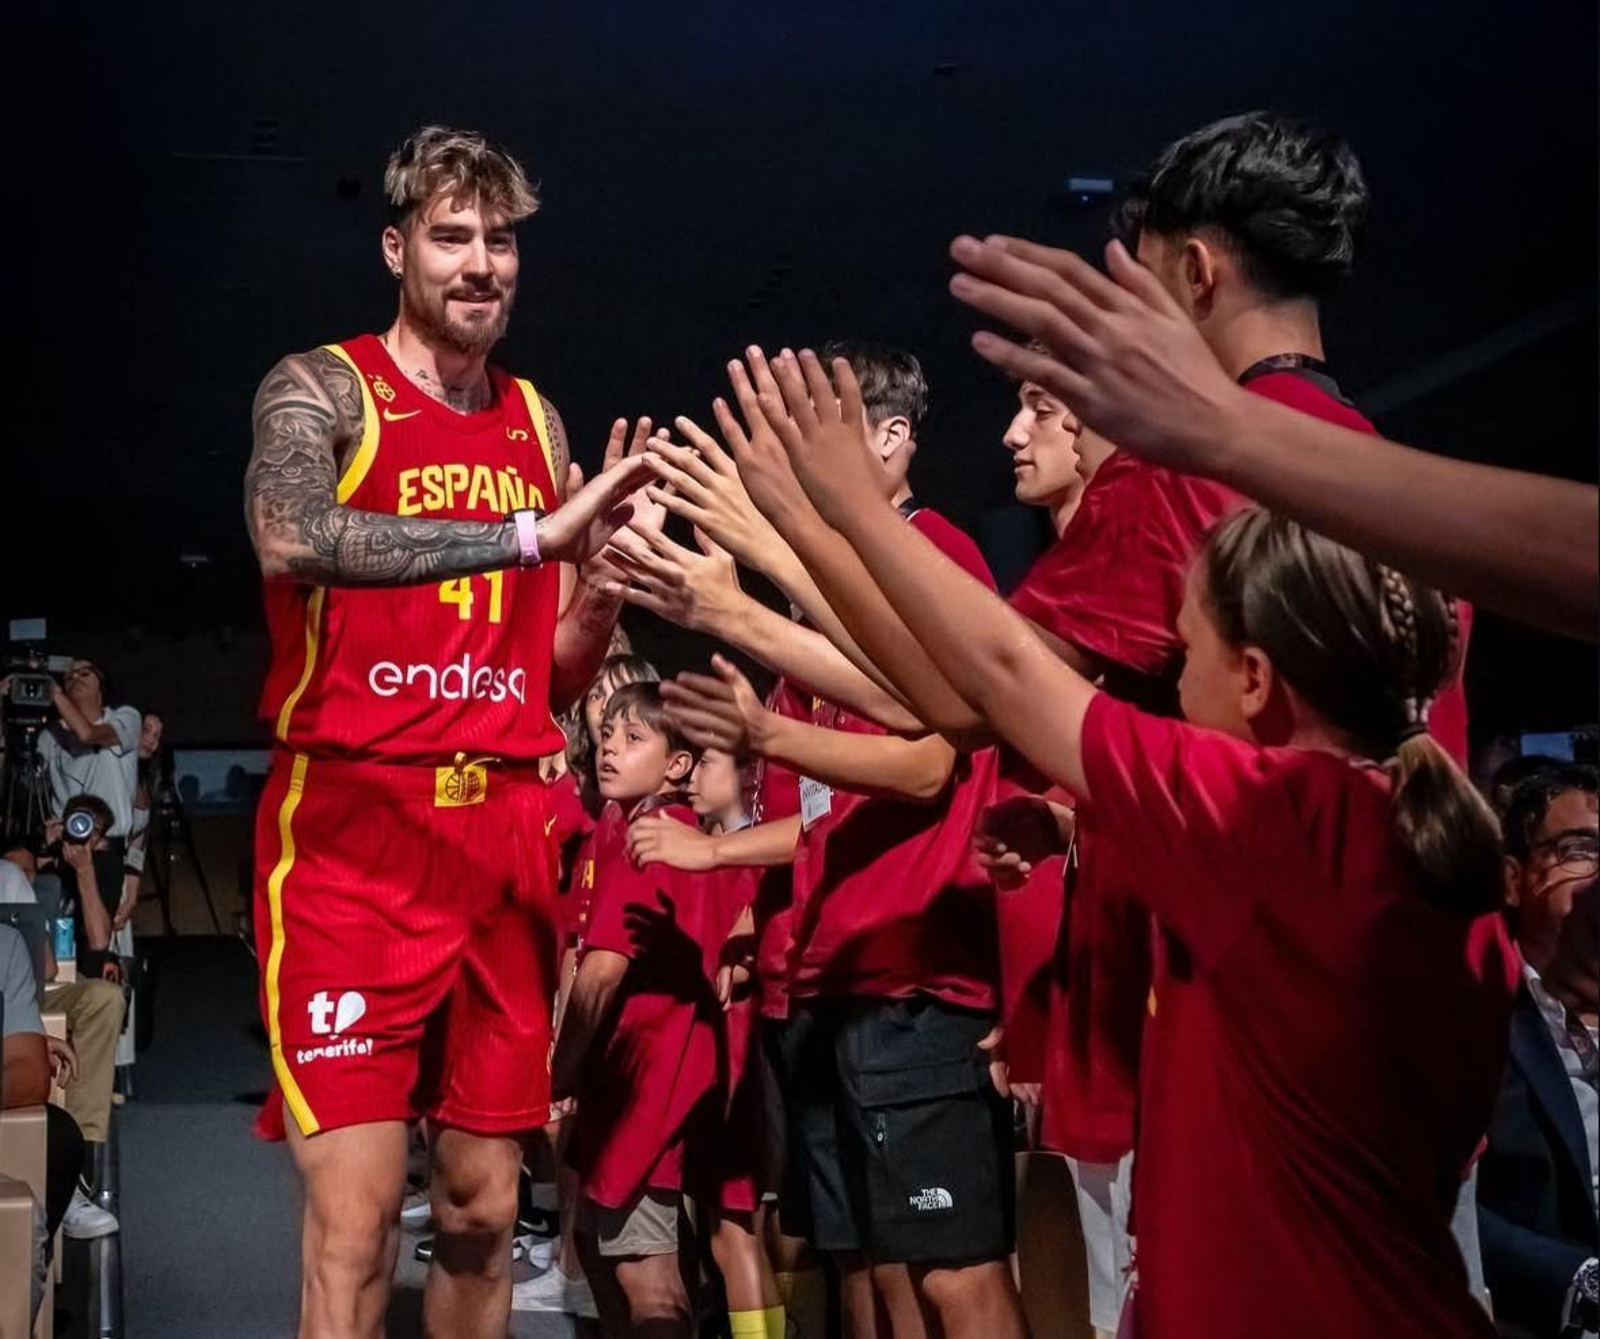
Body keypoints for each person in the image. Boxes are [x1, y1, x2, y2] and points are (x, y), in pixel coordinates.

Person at [747, 348, 1519, 1338]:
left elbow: (997, 679)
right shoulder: (1432, 845)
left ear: (1252, 678)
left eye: (1181, 650)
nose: (1161, 677)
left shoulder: (1264, 815)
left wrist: (833, 514)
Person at [242, 124, 655, 1339]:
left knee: (482, 1212)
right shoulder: (321, 385)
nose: (482, 263)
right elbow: (292, 534)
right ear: (397, 247)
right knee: (358, 1222)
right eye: (453, 235)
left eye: (502, 239)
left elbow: (551, 679)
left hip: (503, 845)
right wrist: (534, 535)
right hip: (352, 838)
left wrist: (596, 595)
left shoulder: (536, 421)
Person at [652, 348, 1026, 1339]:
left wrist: (753, 601)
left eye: (825, 430)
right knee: (872, 1264)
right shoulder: (834, 586)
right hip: (834, 968)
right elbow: (825, 795)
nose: (798, 458)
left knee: (951, 1275)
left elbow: (929, 754)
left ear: (892, 440)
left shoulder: (934, 544)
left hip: (913, 964)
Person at [944, 237, 1597, 642]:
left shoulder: (1174, 476)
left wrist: (853, 516)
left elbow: (996, 689)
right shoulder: (1345, 434)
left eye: (1143, 285)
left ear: (1197, 272)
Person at [552, 683, 782, 1339]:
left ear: (678, 763)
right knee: (605, 1253)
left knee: (647, 1276)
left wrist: (557, 1071)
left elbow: (601, 973)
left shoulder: (653, 841)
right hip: (644, 1086)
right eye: (606, 736)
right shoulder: (641, 833)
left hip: (646, 1094)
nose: (609, 750)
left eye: (633, 738)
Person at [1479, 766, 1599, 1339]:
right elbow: (1435, 1203)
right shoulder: (1471, 1024)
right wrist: (1578, 1282)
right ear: (1512, 878)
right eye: (1582, 848)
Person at [36, 659, 142, 843]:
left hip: (107, 840)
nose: (76, 677)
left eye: (85, 673)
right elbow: (30, 782)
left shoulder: (124, 717)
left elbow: (87, 734)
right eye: (69, 677)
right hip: (67, 839)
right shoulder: (50, 736)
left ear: (101, 687)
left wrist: (55, 694)